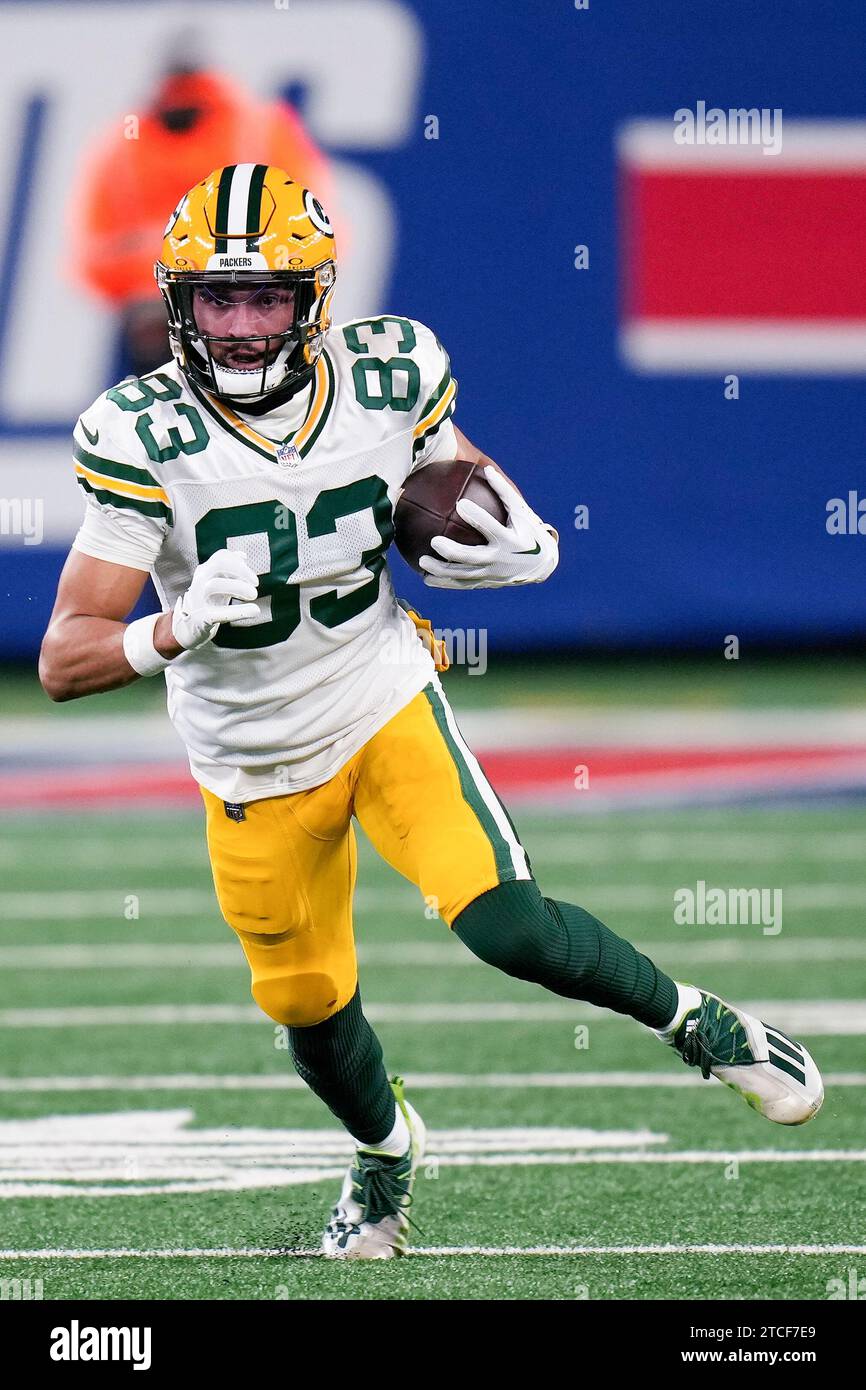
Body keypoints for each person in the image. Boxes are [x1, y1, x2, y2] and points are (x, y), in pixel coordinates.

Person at [40, 164, 823, 1260]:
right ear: (177, 300)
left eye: (266, 298)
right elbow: (64, 659)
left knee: (507, 924)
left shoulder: (390, 371)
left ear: (314, 299)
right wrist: (165, 631)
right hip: (249, 756)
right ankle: (383, 1150)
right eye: (214, 297)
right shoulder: (140, 433)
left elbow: (449, 474)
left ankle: (698, 1021)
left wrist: (521, 532)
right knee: (308, 1009)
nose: (239, 324)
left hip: (377, 692)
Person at [67, 67, 335, 377]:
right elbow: (93, 252)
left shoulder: (259, 132)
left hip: (224, 288)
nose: (236, 329)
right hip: (152, 306)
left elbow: (310, 228)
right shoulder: (122, 148)